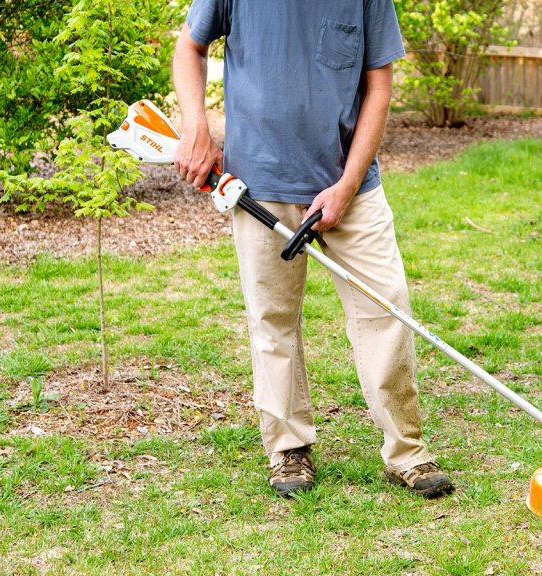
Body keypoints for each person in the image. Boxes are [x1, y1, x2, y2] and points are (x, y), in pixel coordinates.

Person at [172, 0, 454, 499]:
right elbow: (190, 45)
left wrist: (345, 186)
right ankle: (288, 447)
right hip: (260, 183)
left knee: (386, 308)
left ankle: (406, 450)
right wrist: (196, 127)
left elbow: (378, 86)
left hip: (352, 184)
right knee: (273, 319)